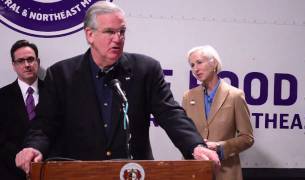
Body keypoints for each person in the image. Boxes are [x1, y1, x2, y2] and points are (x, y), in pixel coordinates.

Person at [15, 1, 220, 174]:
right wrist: (33, 147)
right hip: (80, 174)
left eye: (122, 32)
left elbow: (170, 113)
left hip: (132, 172)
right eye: (110, 32)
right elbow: (44, 124)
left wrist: (195, 145)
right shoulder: (61, 75)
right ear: (90, 35)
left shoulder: (146, 69)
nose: (118, 39)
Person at [182, 45, 254, 180]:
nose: (195, 69)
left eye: (199, 62)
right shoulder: (188, 96)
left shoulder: (235, 96)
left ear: (214, 62)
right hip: (193, 171)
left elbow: (247, 138)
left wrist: (220, 147)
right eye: (192, 65)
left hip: (225, 172)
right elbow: (183, 133)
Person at [0, 40, 44, 180]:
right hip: (11, 172)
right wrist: (23, 161)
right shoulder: (2, 97)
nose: (27, 65)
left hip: (47, 170)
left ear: (37, 61)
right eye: (20, 61)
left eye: (30, 59)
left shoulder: (53, 92)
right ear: (14, 65)